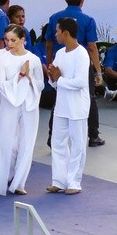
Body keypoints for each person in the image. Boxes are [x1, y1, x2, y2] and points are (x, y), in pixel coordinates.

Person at [44, 0, 105, 148]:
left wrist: (50, 65)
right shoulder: (88, 20)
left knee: (59, 99)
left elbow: (49, 43)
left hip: (60, 62)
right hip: (80, 63)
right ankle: (93, 135)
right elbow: (92, 47)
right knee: (89, 98)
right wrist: (98, 72)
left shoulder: (55, 17)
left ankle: (52, 136)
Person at [0, 24, 43, 196]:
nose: (9, 43)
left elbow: (40, 84)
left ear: (22, 39)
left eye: (13, 40)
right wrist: (19, 76)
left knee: (26, 143)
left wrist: (27, 76)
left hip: (29, 104)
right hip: (9, 103)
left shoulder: (33, 59)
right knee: (6, 142)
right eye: (7, 39)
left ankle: (19, 182)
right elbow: (1, 83)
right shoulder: (2, 58)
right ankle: (4, 176)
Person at [46, 17, 90, 195]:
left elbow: (80, 82)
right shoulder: (60, 54)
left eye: (57, 31)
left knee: (78, 145)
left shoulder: (82, 54)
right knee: (57, 143)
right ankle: (59, 180)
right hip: (61, 106)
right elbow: (55, 83)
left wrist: (59, 79)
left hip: (78, 107)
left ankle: (74, 182)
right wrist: (52, 78)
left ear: (66, 33)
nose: (55, 34)